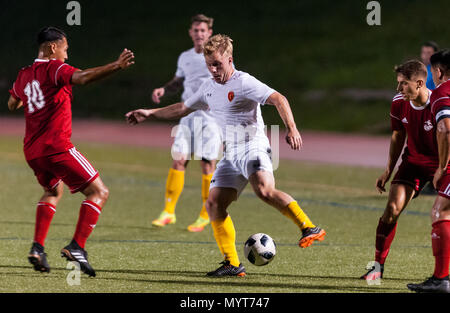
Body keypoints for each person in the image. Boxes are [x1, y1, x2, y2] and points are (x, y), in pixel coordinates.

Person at [126, 34, 326, 277]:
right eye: (209, 64)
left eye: (217, 64)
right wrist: (149, 113)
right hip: (231, 154)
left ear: (229, 59)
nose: (213, 69)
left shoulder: (244, 82)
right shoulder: (208, 87)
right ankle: (232, 263)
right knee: (214, 204)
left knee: (263, 190)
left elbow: (278, 99)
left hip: (254, 146)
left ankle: (308, 227)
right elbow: (182, 108)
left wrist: (292, 128)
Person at [7, 26, 135, 277]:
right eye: (65, 49)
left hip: (32, 151)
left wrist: (31, 95)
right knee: (99, 192)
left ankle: (37, 248)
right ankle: (77, 247)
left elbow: (13, 103)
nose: (67, 54)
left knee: (52, 190)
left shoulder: (25, 74)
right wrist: (116, 65)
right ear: (52, 48)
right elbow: (84, 77)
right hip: (56, 147)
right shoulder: (54, 68)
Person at [360, 60, 436, 281]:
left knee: (443, 216)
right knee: (392, 209)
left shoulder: (440, 103)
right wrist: (388, 170)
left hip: (443, 164)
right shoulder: (398, 103)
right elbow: (397, 135)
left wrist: (443, 168)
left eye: (403, 84)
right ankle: (377, 268)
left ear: (420, 83)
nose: (398, 89)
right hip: (412, 163)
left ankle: (441, 274)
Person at [150, 14, 221, 232]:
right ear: (191, 33)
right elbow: (179, 80)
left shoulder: (217, 56)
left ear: (209, 33)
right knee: (178, 160)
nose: (199, 34)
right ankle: (168, 212)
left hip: (210, 118)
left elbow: (226, 79)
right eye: (196, 30)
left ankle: (205, 214)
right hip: (187, 116)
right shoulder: (185, 57)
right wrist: (164, 88)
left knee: (207, 164)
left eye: (203, 30)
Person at [407, 49, 450, 293]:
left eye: (433, 70)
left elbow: (445, 129)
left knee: (440, 211)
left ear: (439, 71)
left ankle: (441, 279)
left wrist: (441, 167)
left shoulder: (443, 92)